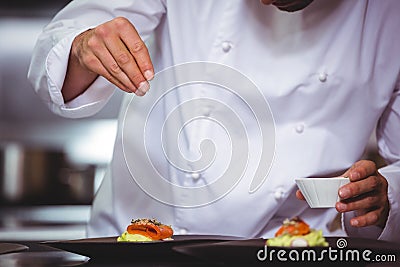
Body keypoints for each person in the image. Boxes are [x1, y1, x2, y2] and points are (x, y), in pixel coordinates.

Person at [28, 0, 400, 242]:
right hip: (145, 250)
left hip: (293, 250)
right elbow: (61, 48)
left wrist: (385, 194)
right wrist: (84, 47)